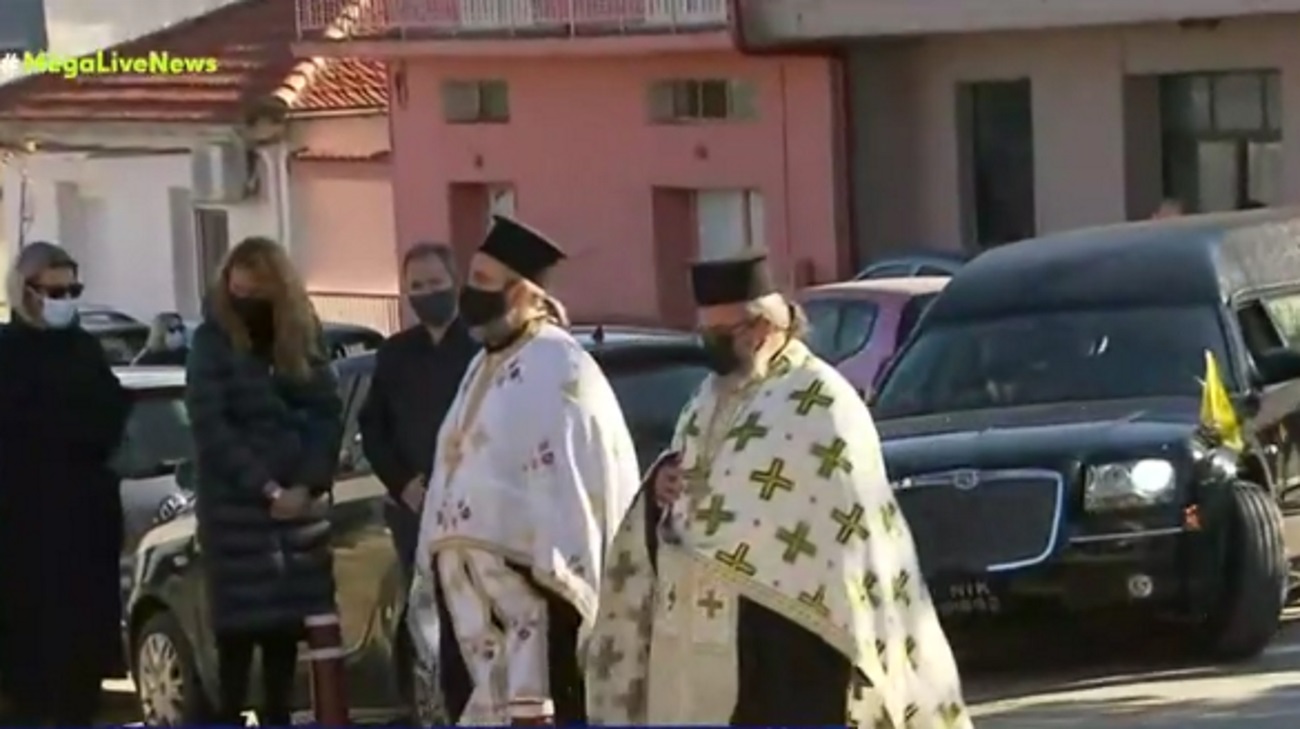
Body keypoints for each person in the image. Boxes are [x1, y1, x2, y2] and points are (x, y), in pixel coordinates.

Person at [584, 252, 973, 728]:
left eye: (724, 332)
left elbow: (845, 520)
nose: (712, 345)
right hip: (693, 631)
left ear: (765, 326)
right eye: (705, 332)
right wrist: (659, 488)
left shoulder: (819, 398)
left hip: (786, 631)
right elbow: (690, 479)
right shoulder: (707, 397)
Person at [407, 216, 641, 725]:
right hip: (467, 604)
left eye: (484, 282)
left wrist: (539, 571)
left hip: (538, 601)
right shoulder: (482, 364)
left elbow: (575, 486)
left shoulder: (561, 369)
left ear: (523, 294)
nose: (470, 294)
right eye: (471, 278)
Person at [186, 236, 344, 726]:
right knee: (234, 652)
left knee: (283, 649)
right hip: (235, 516)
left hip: (296, 523)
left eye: (256, 292)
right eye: (238, 291)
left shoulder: (302, 336)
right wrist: (266, 488)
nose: (245, 300)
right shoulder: (212, 342)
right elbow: (212, 426)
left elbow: (327, 412)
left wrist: (307, 485)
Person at [0, 242, 131, 725]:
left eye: (73, 290)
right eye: (55, 292)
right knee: (30, 678)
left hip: (85, 530)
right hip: (22, 537)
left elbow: (110, 414)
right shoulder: (7, 353)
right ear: (26, 291)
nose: (65, 301)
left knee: (82, 676)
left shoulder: (84, 349)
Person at [361, 243, 478, 575]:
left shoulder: (483, 349)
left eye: (435, 283)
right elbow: (373, 426)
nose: (427, 293)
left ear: (455, 282)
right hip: (413, 515)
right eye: (417, 286)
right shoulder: (395, 353)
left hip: (474, 514)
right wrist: (402, 484)